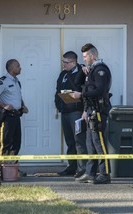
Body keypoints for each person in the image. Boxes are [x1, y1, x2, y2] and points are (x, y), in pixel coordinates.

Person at [75, 43, 112, 184]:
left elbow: (100, 91)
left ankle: (105, 174)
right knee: (90, 143)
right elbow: (78, 82)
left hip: (99, 111)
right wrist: (83, 70)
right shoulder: (91, 70)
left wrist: (81, 95)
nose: (84, 59)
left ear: (92, 55)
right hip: (90, 111)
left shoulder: (100, 70)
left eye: (85, 57)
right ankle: (90, 173)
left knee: (99, 143)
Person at [0, 59, 28, 177]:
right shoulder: (3, 81)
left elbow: (16, 97)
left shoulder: (17, 81)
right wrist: (4, 105)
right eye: (18, 66)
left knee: (16, 143)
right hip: (6, 118)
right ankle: (0, 171)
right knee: (4, 144)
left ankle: (12, 168)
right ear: (11, 68)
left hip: (16, 116)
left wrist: (23, 105)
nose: (20, 68)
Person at [55, 51, 88, 178]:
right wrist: (58, 105)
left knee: (79, 141)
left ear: (74, 62)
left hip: (77, 112)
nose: (64, 65)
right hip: (65, 112)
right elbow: (57, 91)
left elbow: (86, 91)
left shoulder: (83, 72)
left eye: (66, 62)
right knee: (70, 141)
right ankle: (72, 166)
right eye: (63, 62)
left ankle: (82, 168)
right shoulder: (63, 74)